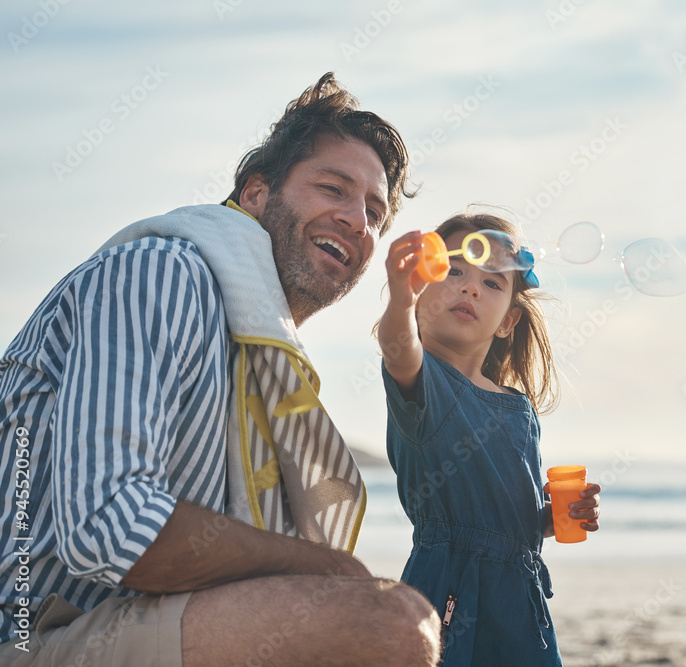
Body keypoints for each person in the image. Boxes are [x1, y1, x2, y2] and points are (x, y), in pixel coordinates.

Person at [0, 72, 442, 666]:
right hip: (29, 633)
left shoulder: (258, 355)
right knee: (394, 624)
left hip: (121, 618)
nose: (357, 221)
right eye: (333, 188)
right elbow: (107, 525)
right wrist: (325, 566)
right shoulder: (162, 272)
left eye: (373, 212)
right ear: (256, 195)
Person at [377, 211, 602, 665]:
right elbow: (397, 347)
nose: (470, 287)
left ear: (507, 322)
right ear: (422, 296)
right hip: (449, 587)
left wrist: (551, 520)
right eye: (453, 271)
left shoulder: (519, 409)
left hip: (520, 598)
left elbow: (509, 520)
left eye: (493, 283)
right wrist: (399, 298)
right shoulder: (423, 382)